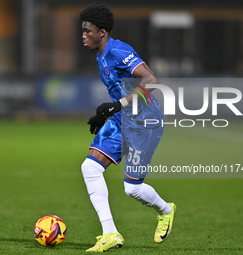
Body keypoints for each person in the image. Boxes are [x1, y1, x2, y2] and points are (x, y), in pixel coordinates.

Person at [80, 4, 177, 252]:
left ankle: (166, 210)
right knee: (90, 167)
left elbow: (152, 80)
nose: (83, 35)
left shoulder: (118, 50)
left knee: (132, 188)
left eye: (87, 31)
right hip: (123, 118)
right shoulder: (100, 55)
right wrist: (106, 114)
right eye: (82, 30)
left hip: (145, 121)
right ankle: (110, 233)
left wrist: (117, 105)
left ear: (102, 32)